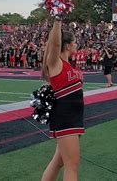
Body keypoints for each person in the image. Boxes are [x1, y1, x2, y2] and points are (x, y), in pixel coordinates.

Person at [41, 18, 84, 181]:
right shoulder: (55, 63)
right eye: (74, 42)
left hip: (74, 118)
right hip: (65, 119)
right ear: (67, 46)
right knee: (72, 165)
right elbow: (54, 45)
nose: (76, 45)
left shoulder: (69, 65)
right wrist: (57, 20)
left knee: (58, 162)